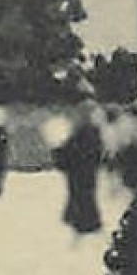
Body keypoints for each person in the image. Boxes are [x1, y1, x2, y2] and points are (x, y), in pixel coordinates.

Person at [51, 100, 105, 237]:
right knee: (82, 193)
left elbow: (72, 150)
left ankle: (84, 222)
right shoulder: (91, 131)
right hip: (85, 169)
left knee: (80, 194)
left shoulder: (84, 131)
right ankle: (84, 221)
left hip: (81, 169)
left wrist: (59, 152)